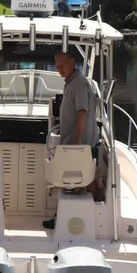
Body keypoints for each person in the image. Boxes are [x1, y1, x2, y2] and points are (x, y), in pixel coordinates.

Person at [42, 47, 98, 230]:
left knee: (69, 179)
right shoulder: (71, 82)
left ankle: (96, 211)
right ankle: (90, 213)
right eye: (57, 66)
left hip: (79, 145)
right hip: (73, 144)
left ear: (73, 62)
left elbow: (82, 112)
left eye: (63, 65)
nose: (60, 69)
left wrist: (78, 142)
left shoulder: (79, 84)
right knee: (81, 180)